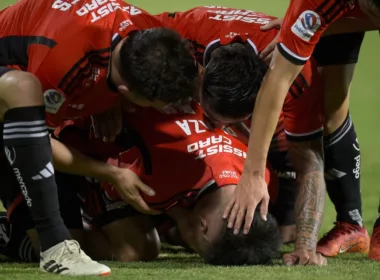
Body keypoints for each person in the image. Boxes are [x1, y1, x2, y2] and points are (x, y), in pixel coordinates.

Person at [0, 0, 199, 275]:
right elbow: (38, 147)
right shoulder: (60, 66)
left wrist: (105, 101)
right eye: (153, 103)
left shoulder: (150, 34)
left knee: (135, 249)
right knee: (23, 91)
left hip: (64, 91)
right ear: (126, 89)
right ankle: (29, 238)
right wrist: (109, 173)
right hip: (12, 115)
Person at [0, 101, 282, 265]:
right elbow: (46, 147)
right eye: (195, 244)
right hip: (34, 138)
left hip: (110, 128)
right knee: (129, 250)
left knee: (152, 234)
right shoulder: (161, 179)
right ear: (203, 226)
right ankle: (11, 236)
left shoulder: (263, 178)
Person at [157, 6, 326, 265]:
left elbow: (310, 162)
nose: (207, 123)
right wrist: (105, 96)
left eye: (220, 121)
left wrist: (306, 246)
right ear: (202, 73)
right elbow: (123, 35)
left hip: (283, 110)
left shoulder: (299, 79)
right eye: (207, 110)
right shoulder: (186, 32)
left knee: (286, 233)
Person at [218, 0, 380, 247]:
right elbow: (276, 82)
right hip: (334, 7)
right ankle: (351, 223)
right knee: (329, 107)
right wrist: (253, 173)